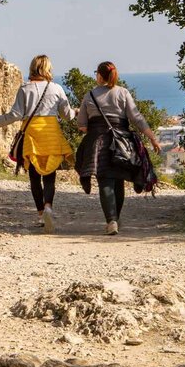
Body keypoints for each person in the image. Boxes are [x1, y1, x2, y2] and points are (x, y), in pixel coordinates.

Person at [0, 55, 74, 233]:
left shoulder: (25, 89)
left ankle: (41, 213)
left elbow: (15, 115)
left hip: (32, 135)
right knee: (49, 175)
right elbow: (67, 115)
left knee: (34, 176)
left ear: (33, 68)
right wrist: (77, 112)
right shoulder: (56, 88)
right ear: (48, 68)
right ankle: (49, 206)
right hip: (51, 135)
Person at [75, 61, 161, 236]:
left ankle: (111, 220)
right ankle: (116, 218)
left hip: (98, 143)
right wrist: (152, 138)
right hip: (122, 143)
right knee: (118, 180)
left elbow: (82, 126)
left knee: (104, 181)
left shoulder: (89, 95)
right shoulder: (123, 93)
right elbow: (136, 118)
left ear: (99, 75)